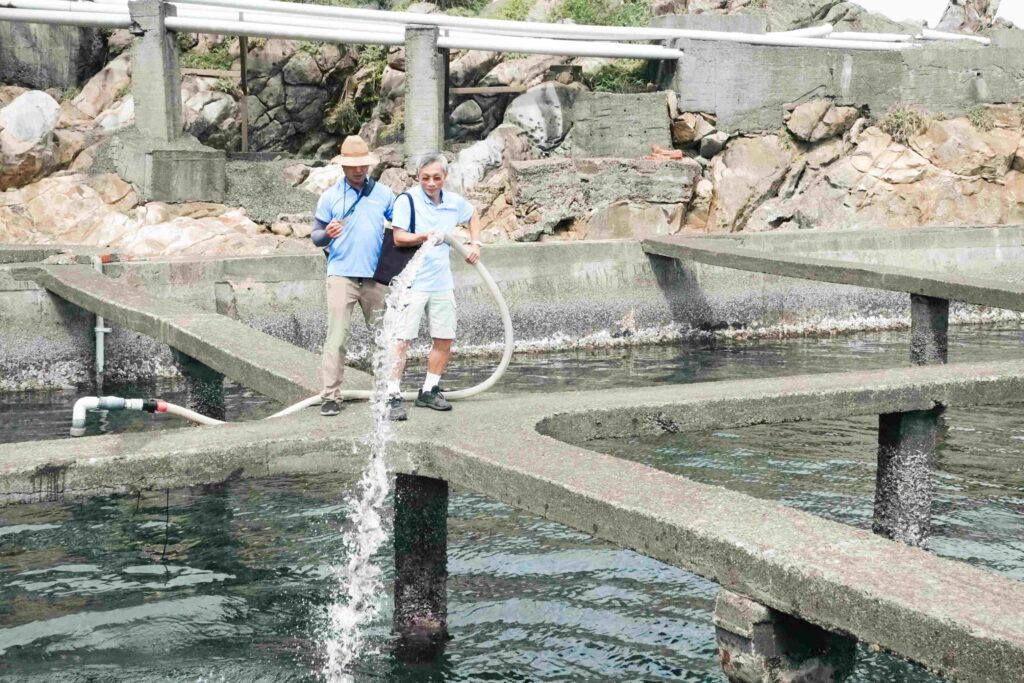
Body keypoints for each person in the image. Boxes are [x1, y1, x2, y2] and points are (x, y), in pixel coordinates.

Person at [386, 152, 482, 421]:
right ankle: (392, 394)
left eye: (436, 178)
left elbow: (473, 214)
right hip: (412, 282)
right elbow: (398, 237)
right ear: (418, 176)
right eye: (425, 177)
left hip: (442, 282)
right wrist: (424, 236)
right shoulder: (407, 200)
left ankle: (429, 389)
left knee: (444, 338)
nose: (430, 182)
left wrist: (475, 244)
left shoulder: (452, 203)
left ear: (445, 177)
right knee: (402, 340)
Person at [311, 135, 396, 417]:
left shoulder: (383, 194)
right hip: (341, 276)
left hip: (375, 278)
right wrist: (327, 234)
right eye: (353, 166)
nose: (359, 170)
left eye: (363, 165)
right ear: (343, 166)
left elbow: (402, 224)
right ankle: (331, 396)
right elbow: (316, 237)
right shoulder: (331, 196)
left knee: (384, 338)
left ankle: (388, 392)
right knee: (336, 338)